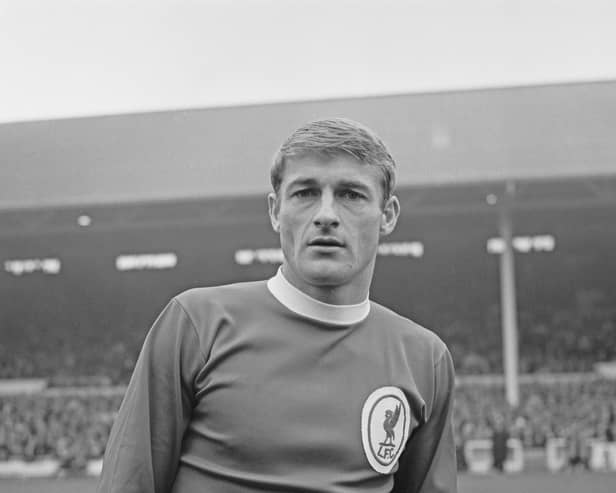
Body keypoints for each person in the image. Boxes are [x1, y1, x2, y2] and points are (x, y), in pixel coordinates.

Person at [97, 118, 457, 492]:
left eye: (351, 194)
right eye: (305, 193)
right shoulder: (196, 325)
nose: (326, 215)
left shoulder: (424, 359)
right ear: (274, 210)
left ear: (388, 215)